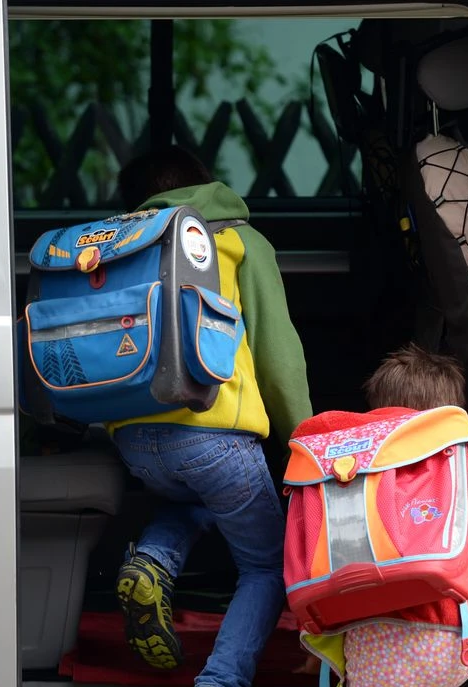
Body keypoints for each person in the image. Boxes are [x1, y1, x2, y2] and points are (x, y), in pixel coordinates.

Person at [108, 145, 313, 687]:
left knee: (199, 500)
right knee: (265, 566)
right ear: (208, 184)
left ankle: (152, 559)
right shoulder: (235, 240)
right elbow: (277, 352)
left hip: (134, 441)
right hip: (214, 436)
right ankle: (222, 678)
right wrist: (306, 440)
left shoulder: (116, 244)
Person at [291, 344, 468, 687]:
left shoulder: (342, 473)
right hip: (447, 633)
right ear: (446, 415)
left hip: (364, 640)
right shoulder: (459, 467)